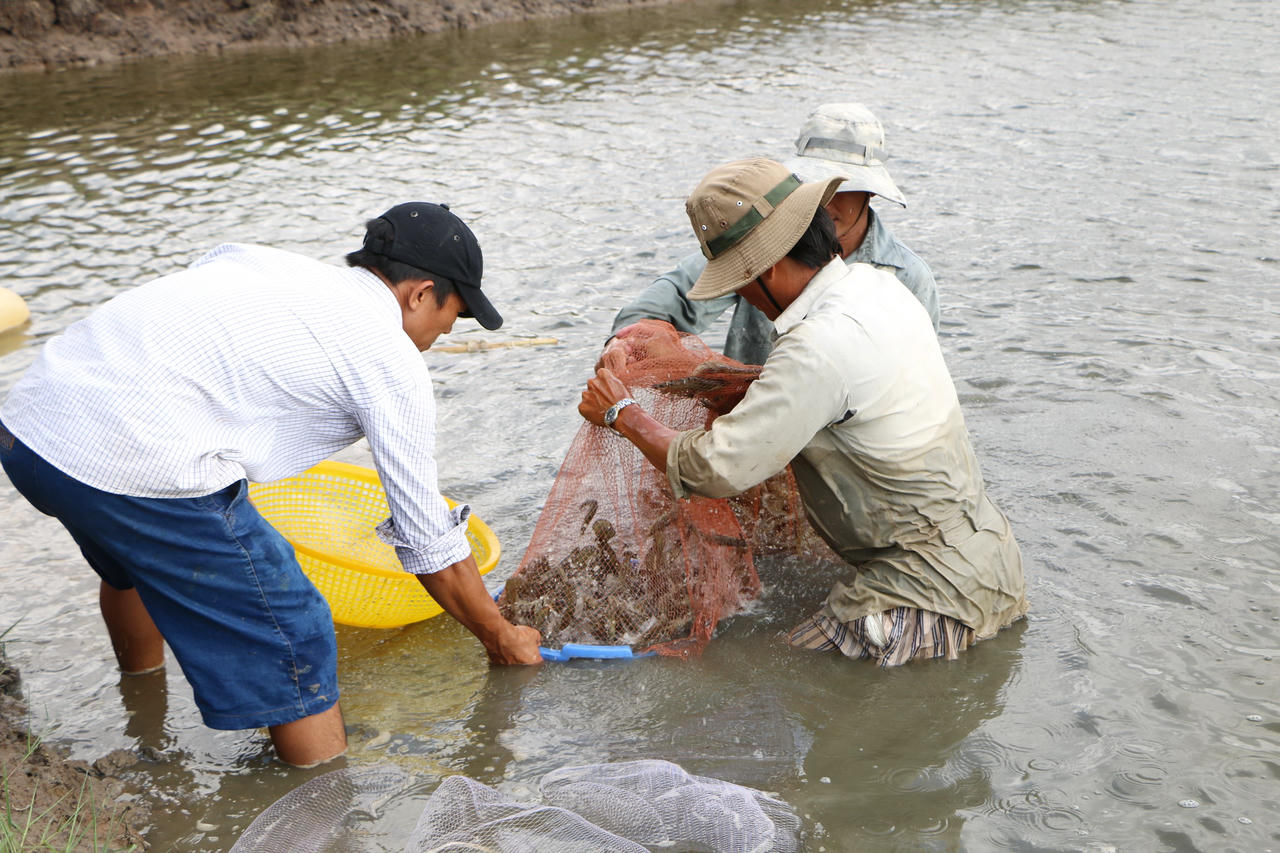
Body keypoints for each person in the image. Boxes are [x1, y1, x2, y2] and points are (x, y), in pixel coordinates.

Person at [0, 202, 543, 768]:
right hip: (129, 461)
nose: (446, 331)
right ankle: (320, 801)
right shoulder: (389, 359)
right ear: (420, 293)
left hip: (33, 430)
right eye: (454, 314)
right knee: (296, 629)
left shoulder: (263, 262)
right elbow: (426, 534)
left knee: (133, 561)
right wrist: (498, 636)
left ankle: (144, 714)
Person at [580, 159, 1027, 666]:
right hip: (994, 564)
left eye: (738, 283)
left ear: (764, 270)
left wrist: (621, 412)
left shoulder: (815, 347)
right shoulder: (880, 288)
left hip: (923, 601)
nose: (742, 295)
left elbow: (715, 468)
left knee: (761, 676)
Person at [606, 103, 938, 367]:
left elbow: (919, 378)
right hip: (747, 432)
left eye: (841, 188)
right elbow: (676, 297)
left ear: (870, 193)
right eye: (813, 183)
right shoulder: (760, 240)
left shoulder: (908, 279)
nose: (825, 201)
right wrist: (630, 341)